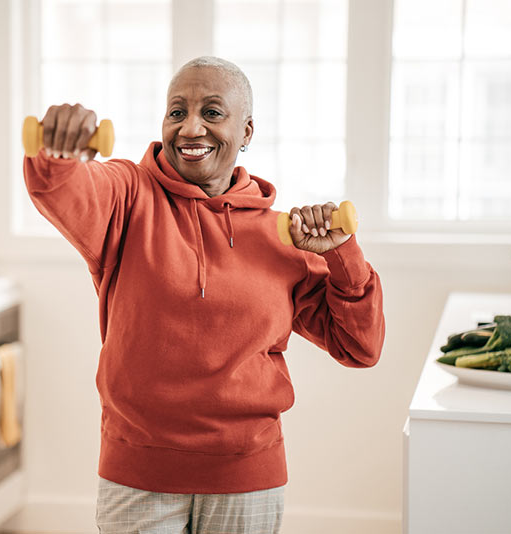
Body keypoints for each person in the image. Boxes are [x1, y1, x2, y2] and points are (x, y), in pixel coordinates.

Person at [24, 56, 385, 534]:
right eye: (177, 112)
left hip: (247, 474)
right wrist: (58, 151)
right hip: (139, 476)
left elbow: (360, 346)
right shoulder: (129, 196)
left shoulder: (282, 236)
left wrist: (342, 254)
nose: (190, 128)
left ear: (247, 131)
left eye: (212, 113)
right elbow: (64, 187)